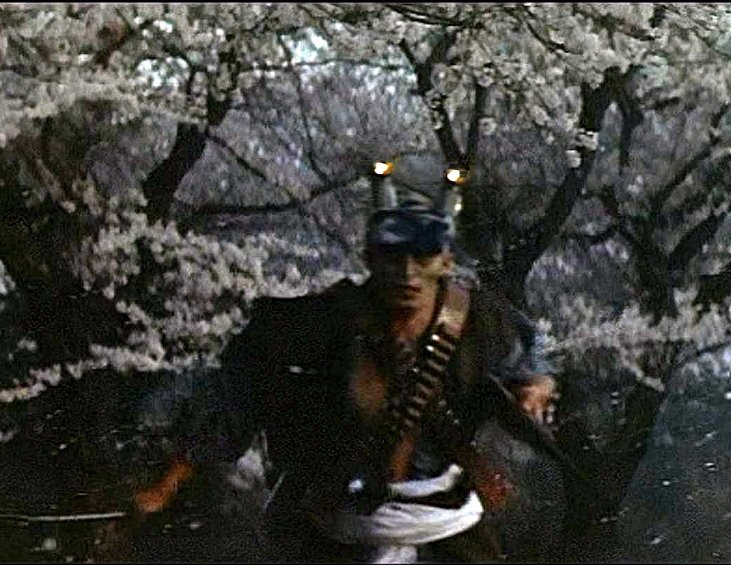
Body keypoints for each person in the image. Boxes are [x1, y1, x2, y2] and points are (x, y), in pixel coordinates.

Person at [133, 154, 558, 563]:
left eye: (422, 256)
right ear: (370, 258)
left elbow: (531, 359)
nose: (407, 272)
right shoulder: (328, 319)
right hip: (341, 516)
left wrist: (536, 385)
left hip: (445, 517)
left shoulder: (480, 320)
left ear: (444, 261)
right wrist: (175, 475)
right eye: (392, 256)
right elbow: (244, 386)